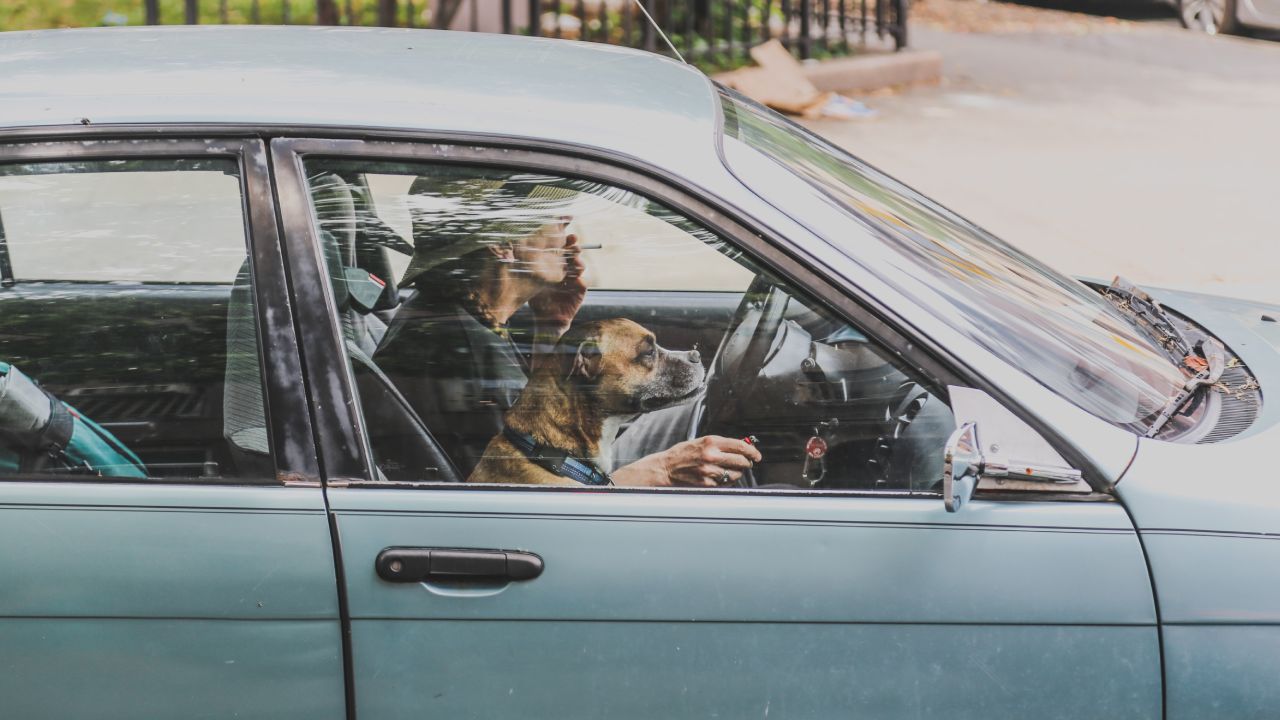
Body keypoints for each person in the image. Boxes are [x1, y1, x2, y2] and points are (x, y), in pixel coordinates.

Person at [374, 170, 760, 487]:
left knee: (694, 411)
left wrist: (552, 326)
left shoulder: (462, 319)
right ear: (504, 245)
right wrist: (659, 471)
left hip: (572, 472)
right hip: (561, 501)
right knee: (708, 422)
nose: (566, 224)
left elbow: (541, 428)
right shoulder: (457, 351)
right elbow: (514, 481)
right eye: (552, 214)